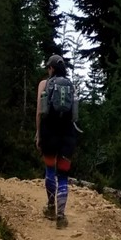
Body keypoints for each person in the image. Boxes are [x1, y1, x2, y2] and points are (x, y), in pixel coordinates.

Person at [35, 55, 79, 228]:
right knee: (63, 175)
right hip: (68, 135)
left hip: (49, 133)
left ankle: (51, 207)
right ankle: (61, 217)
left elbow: (39, 112)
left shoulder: (44, 84)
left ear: (51, 68)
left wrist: (39, 135)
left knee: (50, 170)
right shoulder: (71, 86)